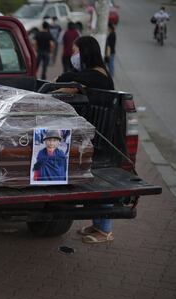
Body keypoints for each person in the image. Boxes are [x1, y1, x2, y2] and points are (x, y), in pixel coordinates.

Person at [55, 36, 114, 244]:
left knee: (101, 181)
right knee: (93, 178)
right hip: (95, 133)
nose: (74, 54)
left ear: (86, 52)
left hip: (102, 137)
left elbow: (64, 79)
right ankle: (98, 224)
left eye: (76, 50)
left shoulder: (96, 76)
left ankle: (105, 230)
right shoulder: (95, 74)